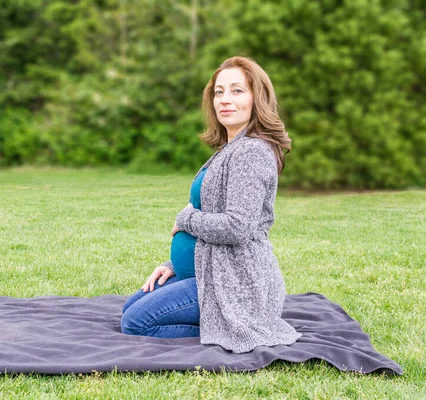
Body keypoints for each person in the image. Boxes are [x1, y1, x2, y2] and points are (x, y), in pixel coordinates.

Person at [120, 56, 302, 353]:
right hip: (210, 270)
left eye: (237, 91)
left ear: (258, 98)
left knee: (136, 323)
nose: (225, 100)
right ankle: (206, 314)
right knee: (132, 306)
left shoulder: (250, 152)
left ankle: (221, 326)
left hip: (235, 285)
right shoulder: (230, 148)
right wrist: (175, 266)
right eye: (219, 92)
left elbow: (237, 227)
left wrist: (186, 220)